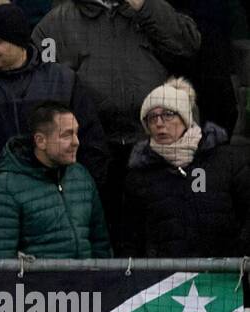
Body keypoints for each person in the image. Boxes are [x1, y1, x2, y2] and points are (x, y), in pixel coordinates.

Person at [32, 0, 201, 249]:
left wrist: (144, 7)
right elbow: (43, 81)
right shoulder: (59, 21)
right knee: (102, 233)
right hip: (90, 146)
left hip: (152, 143)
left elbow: (188, 45)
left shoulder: (151, 8)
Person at [0, 3, 107, 188]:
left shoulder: (62, 81)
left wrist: (80, 192)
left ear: (20, 43)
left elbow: (92, 145)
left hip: (54, 195)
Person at [122, 78, 250, 258]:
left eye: (168, 114)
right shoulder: (140, 176)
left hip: (226, 279)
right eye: (152, 118)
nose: (159, 123)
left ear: (185, 118)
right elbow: (131, 238)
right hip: (165, 282)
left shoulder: (226, 161)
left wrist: (239, 258)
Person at [0, 102, 111, 259]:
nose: (76, 142)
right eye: (66, 135)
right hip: (37, 283)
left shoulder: (81, 176)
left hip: (85, 282)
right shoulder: (6, 186)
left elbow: (100, 244)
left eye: (76, 133)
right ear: (41, 141)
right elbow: (0, 259)